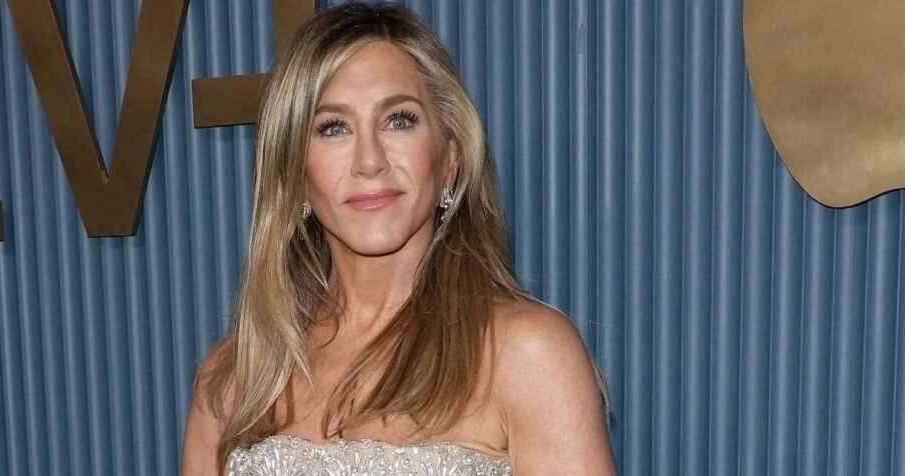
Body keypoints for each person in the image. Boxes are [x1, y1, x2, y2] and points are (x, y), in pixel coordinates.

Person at [182, 2, 615, 474]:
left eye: (399, 120)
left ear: (450, 158)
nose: (370, 160)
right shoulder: (234, 377)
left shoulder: (527, 355)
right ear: (295, 177)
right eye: (333, 128)